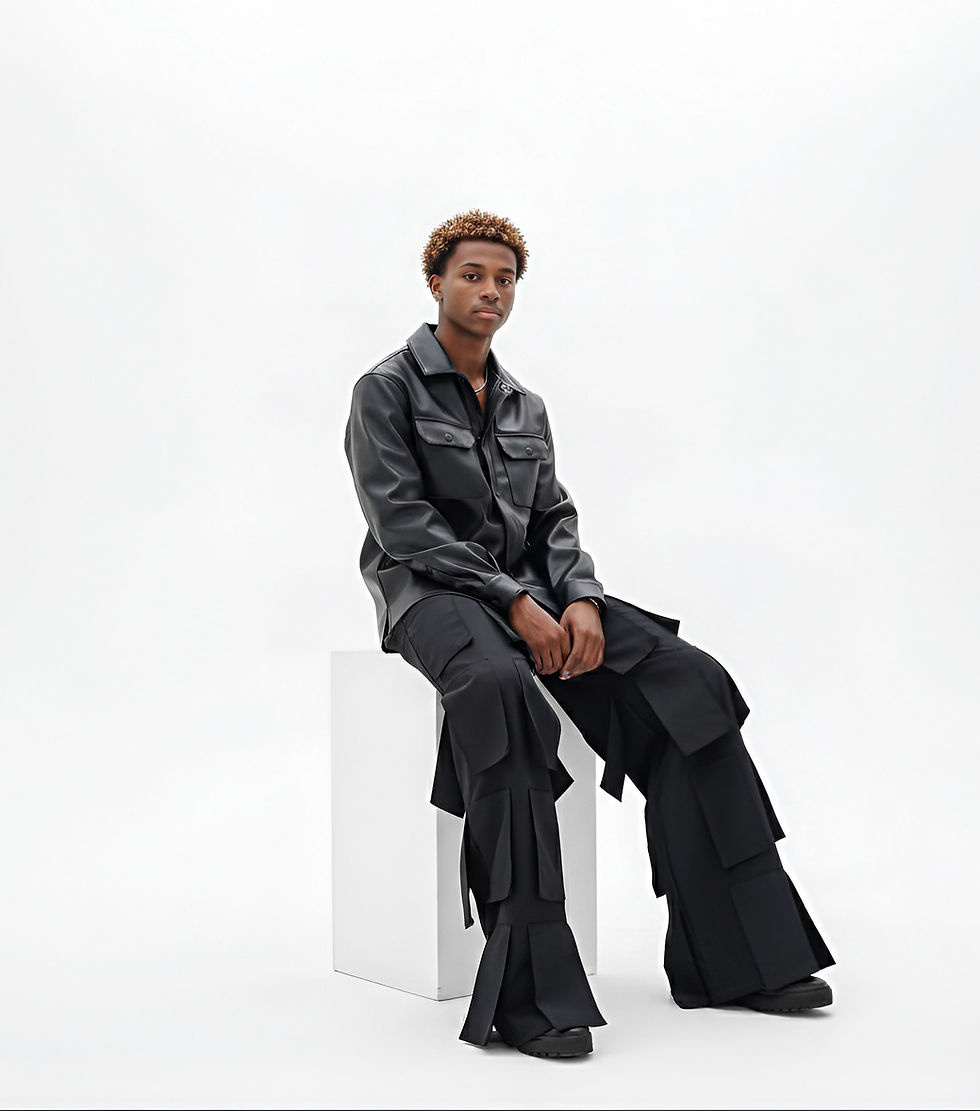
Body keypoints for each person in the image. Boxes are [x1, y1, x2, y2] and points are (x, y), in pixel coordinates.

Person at [343, 208, 835, 1059]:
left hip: (536, 596)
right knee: (500, 694)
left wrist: (578, 598)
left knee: (691, 682)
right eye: (472, 275)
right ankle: (529, 994)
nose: (490, 290)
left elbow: (554, 516)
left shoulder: (525, 404)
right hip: (428, 593)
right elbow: (403, 523)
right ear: (435, 282)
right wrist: (511, 601)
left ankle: (736, 957)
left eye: (504, 278)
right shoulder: (384, 389)